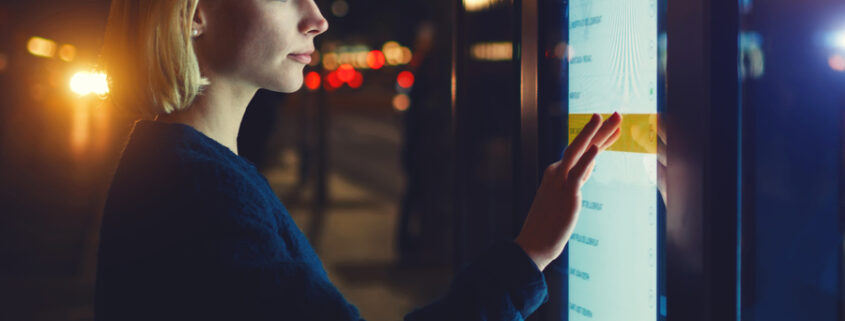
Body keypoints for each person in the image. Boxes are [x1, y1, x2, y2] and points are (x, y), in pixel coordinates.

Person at [94, 0, 623, 320]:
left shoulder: (176, 165)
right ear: (194, 16)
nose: (317, 19)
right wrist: (528, 255)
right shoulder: (201, 191)